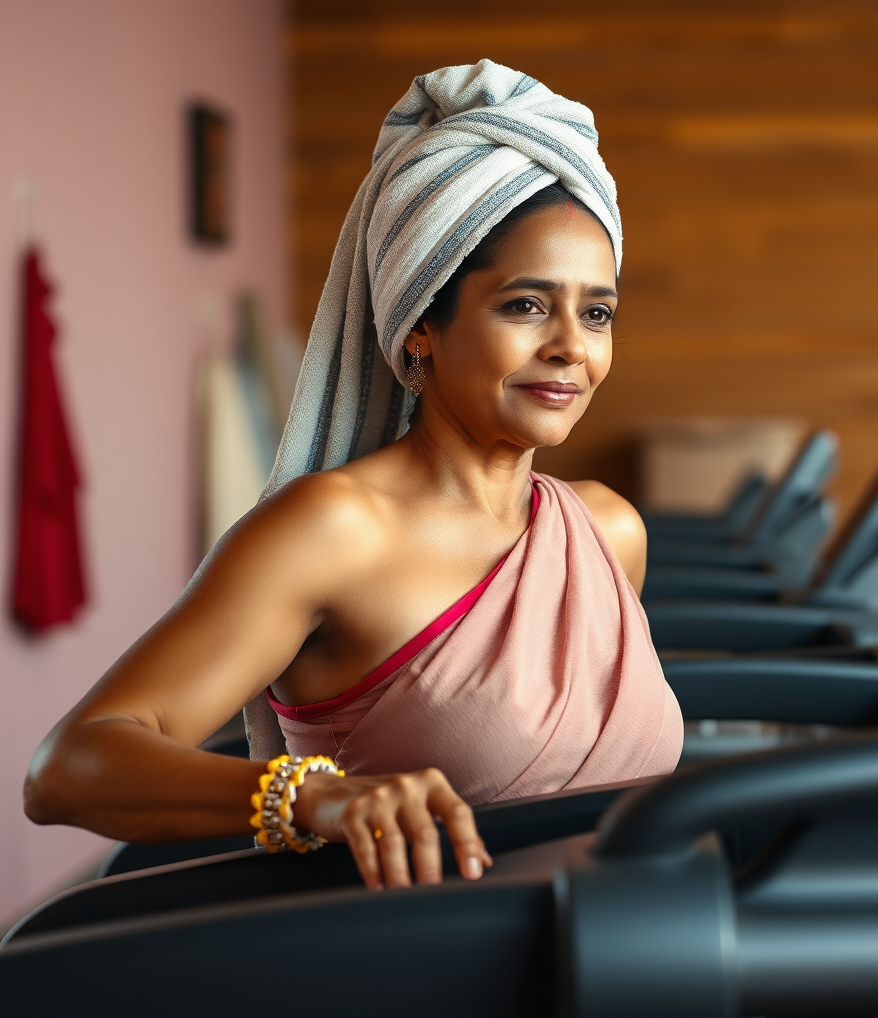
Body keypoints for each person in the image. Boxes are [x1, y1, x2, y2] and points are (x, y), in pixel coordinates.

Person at [24, 61, 683, 892]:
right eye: (524, 305)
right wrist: (319, 798)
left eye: (597, 312)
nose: (571, 348)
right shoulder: (335, 530)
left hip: (638, 954)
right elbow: (71, 767)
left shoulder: (609, 531)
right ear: (420, 329)